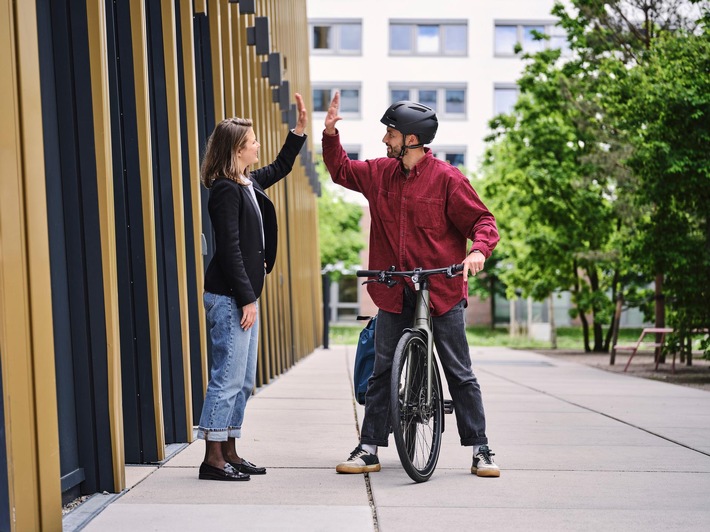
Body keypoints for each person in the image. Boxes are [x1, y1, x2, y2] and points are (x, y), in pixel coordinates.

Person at [322, 93, 501, 478]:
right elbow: (341, 171)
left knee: (460, 371)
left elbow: (483, 223)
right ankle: (368, 448)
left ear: (412, 140)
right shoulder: (379, 173)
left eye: (391, 134)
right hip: (394, 288)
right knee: (383, 371)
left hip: (442, 290)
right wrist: (331, 134)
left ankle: (480, 449)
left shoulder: (448, 180)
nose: (385, 141)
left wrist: (478, 252)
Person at [196, 94, 307, 481]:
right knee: (226, 377)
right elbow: (228, 250)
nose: (259, 145)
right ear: (237, 149)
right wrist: (246, 298)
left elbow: (279, 166)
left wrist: (298, 132)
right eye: (253, 141)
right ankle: (212, 458)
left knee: (242, 381)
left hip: (243, 297)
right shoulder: (225, 190)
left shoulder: (246, 182)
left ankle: (230, 450)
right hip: (230, 297)